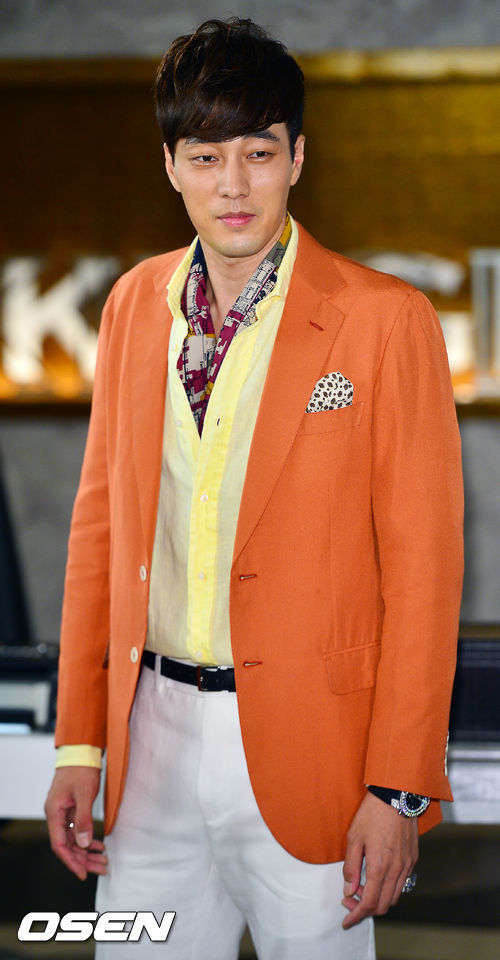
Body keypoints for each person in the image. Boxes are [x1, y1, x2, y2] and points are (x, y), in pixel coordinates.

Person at [45, 17, 464, 960]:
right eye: (205, 157)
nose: (233, 184)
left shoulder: (384, 321)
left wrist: (397, 788)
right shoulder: (132, 305)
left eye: (258, 153)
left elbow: (426, 572)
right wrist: (79, 744)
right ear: (170, 166)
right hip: (148, 745)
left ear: (297, 157)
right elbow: (99, 533)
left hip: (316, 755)